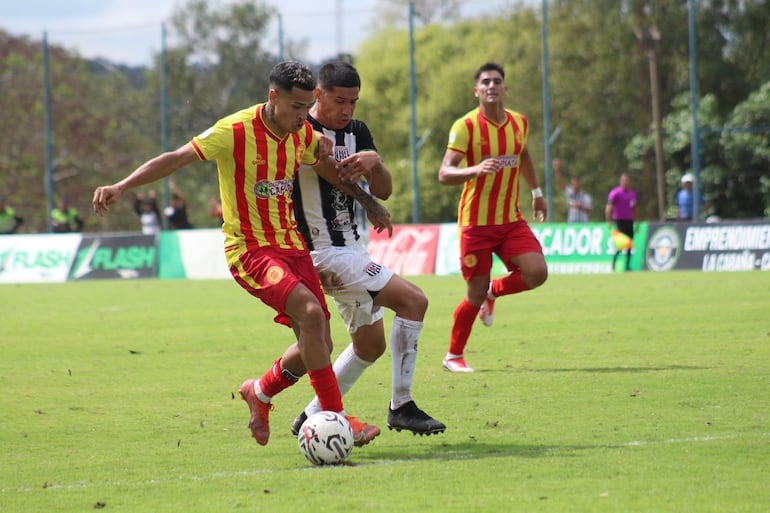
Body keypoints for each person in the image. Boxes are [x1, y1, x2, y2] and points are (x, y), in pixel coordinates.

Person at [92, 61, 387, 448]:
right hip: (251, 250)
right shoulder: (234, 131)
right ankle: (336, 416)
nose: (304, 117)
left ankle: (259, 392)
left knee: (317, 346)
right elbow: (176, 157)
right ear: (273, 97)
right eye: (297, 108)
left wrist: (368, 201)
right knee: (312, 316)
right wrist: (123, 185)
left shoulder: (303, 135)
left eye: (306, 108)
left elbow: (327, 169)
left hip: (294, 247)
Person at [289, 61, 445, 436]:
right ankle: (402, 405)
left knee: (369, 345)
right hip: (322, 252)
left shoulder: (357, 131)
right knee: (414, 301)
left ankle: (310, 415)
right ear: (318, 95)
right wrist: (368, 201)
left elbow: (386, 188)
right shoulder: (300, 129)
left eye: (353, 102)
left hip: (353, 251)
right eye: (339, 101)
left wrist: (376, 162)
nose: (347, 110)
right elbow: (331, 170)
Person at [438, 62, 548, 373]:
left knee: (537, 272)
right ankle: (453, 356)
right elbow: (444, 173)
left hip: (510, 220)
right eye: (485, 82)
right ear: (476, 91)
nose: (491, 86)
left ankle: (493, 291)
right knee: (473, 294)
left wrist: (537, 192)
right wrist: (475, 169)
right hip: (476, 224)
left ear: (505, 88)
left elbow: (523, 154)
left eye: (497, 81)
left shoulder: (519, 123)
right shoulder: (466, 127)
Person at [605, 172, 638, 272]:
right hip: (619, 221)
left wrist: (637, 221)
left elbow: (634, 208)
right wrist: (608, 219)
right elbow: (609, 206)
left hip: (629, 220)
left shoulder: (632, 194)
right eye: (624, 180)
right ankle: (613, 264)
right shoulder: (615, 193)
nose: (626, 182)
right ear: (621, 181)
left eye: (628, 180)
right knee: (620, 244)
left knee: (629, 244)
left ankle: (627, 266)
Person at [553, 158, 592, 222]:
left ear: (580, 184)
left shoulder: (585, 196)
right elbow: (560, 183)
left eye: (576, 184)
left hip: (583, 224)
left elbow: (590, 210)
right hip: (572, 224)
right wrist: (557, 170)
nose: (575, 186)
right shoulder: (569, 193)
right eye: (573, 184)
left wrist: (580, 207)